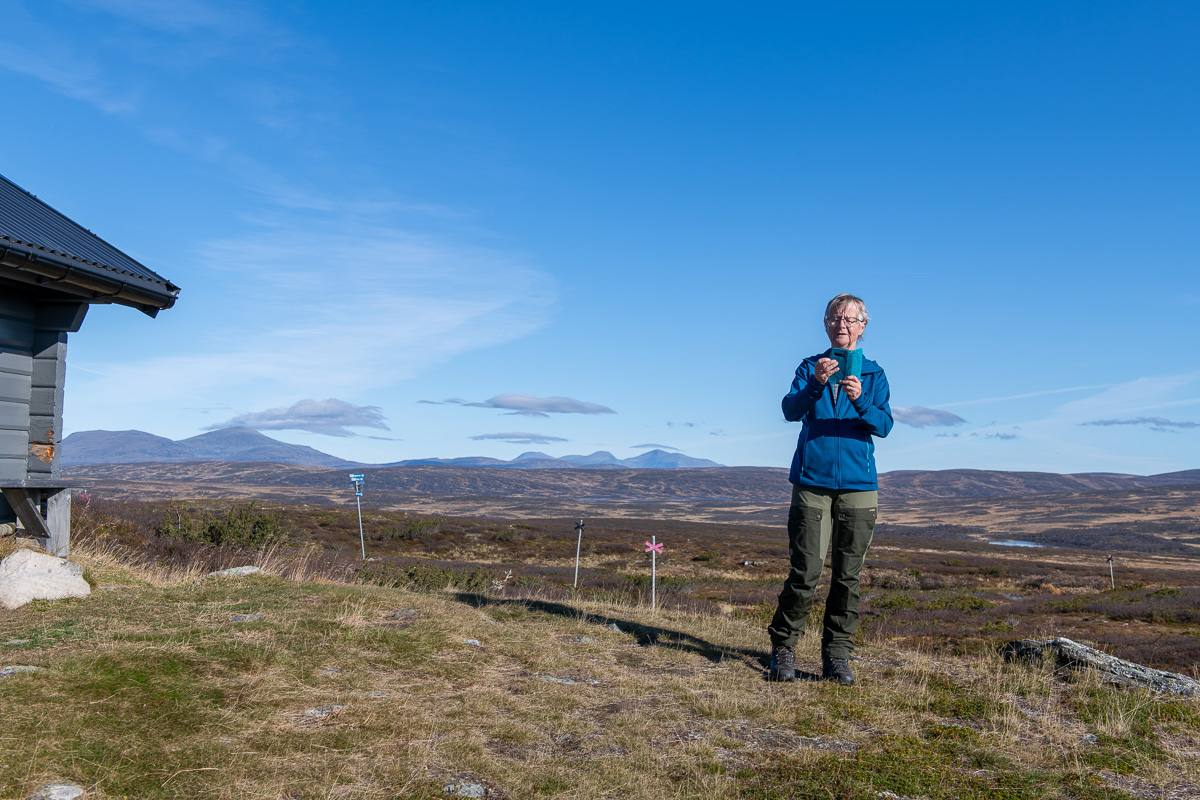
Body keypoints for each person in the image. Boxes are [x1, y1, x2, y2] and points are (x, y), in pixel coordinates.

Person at [768, 293, 893, 685]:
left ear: (863, 326)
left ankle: (837, 656)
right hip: (811, 483)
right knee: (805, 572)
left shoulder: (874, 374)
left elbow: (884, 425)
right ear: (826, 324)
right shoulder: (811, 367)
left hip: (858, 486)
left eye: (850, 319)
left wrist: (860, 402)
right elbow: (790, 411)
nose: (842, 324)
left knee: (847, 576)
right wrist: (817, 386)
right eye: (835, 318)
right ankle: (784, 650)